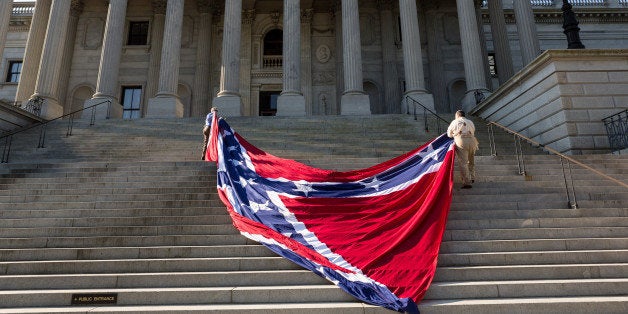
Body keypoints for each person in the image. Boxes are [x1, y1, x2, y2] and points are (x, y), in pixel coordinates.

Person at [447, 110, 478, 189]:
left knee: (463, 162)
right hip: (472, 140)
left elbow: (449, 135)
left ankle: (467, 182)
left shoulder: (454, 122)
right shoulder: (470, 122)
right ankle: (473, 177)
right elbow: (473, 131)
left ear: (457, 115)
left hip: (461, 141)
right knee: (471, 160)